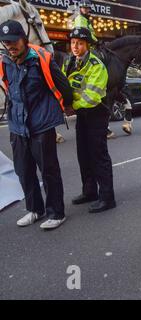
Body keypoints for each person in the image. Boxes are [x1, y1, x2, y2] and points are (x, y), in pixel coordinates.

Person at [0, 20, 72, 229]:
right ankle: (35, 209)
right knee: (24, 170)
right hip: (17, 125)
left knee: (49, 170)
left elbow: (64, 87)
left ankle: (56, 213)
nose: (10, 46)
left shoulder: (42, 58)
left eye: (13, 41)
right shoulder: (4, 60)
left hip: (41, 123)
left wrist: (64, 106)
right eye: (6, 42)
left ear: (23, 39)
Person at [62, 27, 116, 213]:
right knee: (83, 155)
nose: (75, 46)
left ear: (87, 45)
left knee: (98, 156)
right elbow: (65, 85)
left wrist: (72, 107)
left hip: (95, 113)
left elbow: (92, 97)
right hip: (82, 115)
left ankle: (107, 198)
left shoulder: (96, 65)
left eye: (80, 43)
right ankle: (90, 191)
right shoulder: (69, 61)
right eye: (73, 43)